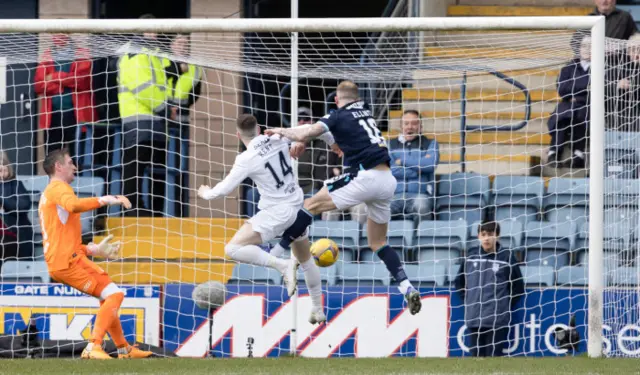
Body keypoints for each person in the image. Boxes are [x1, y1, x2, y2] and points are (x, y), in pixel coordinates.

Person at [264, 80, 422, 315]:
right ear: (357, 97)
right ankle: (406, 286)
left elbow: (309, 130)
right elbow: (337, 141)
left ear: (336, 100)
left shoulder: (337, 115)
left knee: (310, 205)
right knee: (377, 242)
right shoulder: (365, 112)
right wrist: (316, 141)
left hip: (363, 177)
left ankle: (276, 255)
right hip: (387, 179)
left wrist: (283, 132)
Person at [197, 114, 325, 323]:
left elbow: (225, 189)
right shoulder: (277, 137)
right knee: (306, 260)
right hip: (296, 205)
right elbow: (310, 128)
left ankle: (281, 265)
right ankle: (318, 309)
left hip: (277, 212)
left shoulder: (246, 158)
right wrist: (297, 139)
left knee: (232, 249)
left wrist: (205, 193)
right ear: (259, 129)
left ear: (238, 135)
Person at [39, 149, 152, 359]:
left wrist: (93, 250)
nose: (75, 166)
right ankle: (93, 346)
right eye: (71, 162)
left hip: (66, 259)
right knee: (115, 294)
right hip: (67, 263)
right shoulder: (58, 188)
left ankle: (123, 349)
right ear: (58, 167)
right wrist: (107, 199)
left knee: (109, 295)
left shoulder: (52, 192)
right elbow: (74, 206)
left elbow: (62, 241)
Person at [118, 15, 170, 217]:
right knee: (135, 169)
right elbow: (144, 87)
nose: (154, 34)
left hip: (155, 121)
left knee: (156, 170)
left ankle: (154, 212)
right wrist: (163, 106)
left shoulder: (153, 54)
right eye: (150, 30)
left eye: (156, 30)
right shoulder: (134, 53)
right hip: (138, 120)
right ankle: (132, 212)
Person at [454, 221, 524, 357]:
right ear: (478, 236)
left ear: (497, 236)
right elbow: (459, 283)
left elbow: (518, 287)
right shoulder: (470, 257)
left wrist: (503, 304)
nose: (486, 238)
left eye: (490, 234)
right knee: (476, 360)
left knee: (493, 360)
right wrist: (470, 301)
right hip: (475, 318)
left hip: (497, 320)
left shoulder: (507, 257)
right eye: (483, 234)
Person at [34, 33, 97, 160]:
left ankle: (79, 179)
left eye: (61, 32)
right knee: (52, 158)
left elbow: (81, 81)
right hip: (53, 117)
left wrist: (55, 77)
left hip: (77, 115)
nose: (57, 36)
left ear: (68, 34)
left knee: (78, 158)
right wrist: (63, 85)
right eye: (54, 33)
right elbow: (39, 86)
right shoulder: (47, 56)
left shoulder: (81, 54)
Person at [166, 34, 202, 217]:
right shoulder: (164, 61)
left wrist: (181, 105)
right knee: (161, 164)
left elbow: (196, 93)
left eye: (185, 43)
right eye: (179, 42)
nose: (182, 46)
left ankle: (179, 212)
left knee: (180, 167)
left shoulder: (194, 66)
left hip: (182, 120)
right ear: (171, 44)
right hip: (163, 118)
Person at [547, 36, 591, 169]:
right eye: (584, 46)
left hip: (587, 104)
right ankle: (554, 152)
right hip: (568, 103)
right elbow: (562, 89)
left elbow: (600, 89)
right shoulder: (568, 68)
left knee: (580, 116)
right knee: (562, 114)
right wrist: (585, 86)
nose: (587, 49)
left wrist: (574, 88)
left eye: (591, 46)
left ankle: (578, 155)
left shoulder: (602, 67)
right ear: (579, 48)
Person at [389, 109, 439, 219]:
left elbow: (429, 164)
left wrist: (402, 161)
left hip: (420, 196)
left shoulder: (430, 143)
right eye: (406, 123)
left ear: (420, 127)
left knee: (422, 205)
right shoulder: (389, 144)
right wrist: (417, 170)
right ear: (401, 127)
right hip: (393, 196)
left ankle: (424, 236)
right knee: (381, 210)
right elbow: (389, 170)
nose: (410, 127)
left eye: (414, 123)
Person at [0, 151, 34, 270]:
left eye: (2, 164)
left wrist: (2, 189)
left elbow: (23, 206)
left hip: (14, 235)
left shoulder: (15, 185)